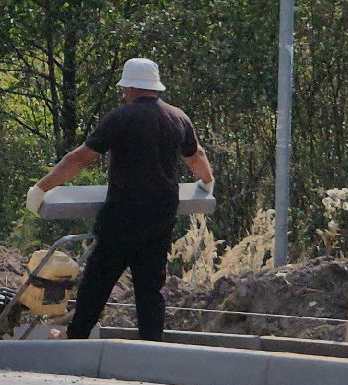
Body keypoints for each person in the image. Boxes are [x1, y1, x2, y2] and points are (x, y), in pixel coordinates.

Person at [27, 57, 213, 341]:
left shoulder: (121, 117)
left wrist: (42, 187)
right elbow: (196, 156)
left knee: (98, 280)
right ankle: (152, 347)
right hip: (160, 218)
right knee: (150, 288)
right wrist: (207, 182)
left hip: (123, 215)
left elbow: (81, 158)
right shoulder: (178, 118)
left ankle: (75, 336)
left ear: (129, 88)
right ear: (155, 87)